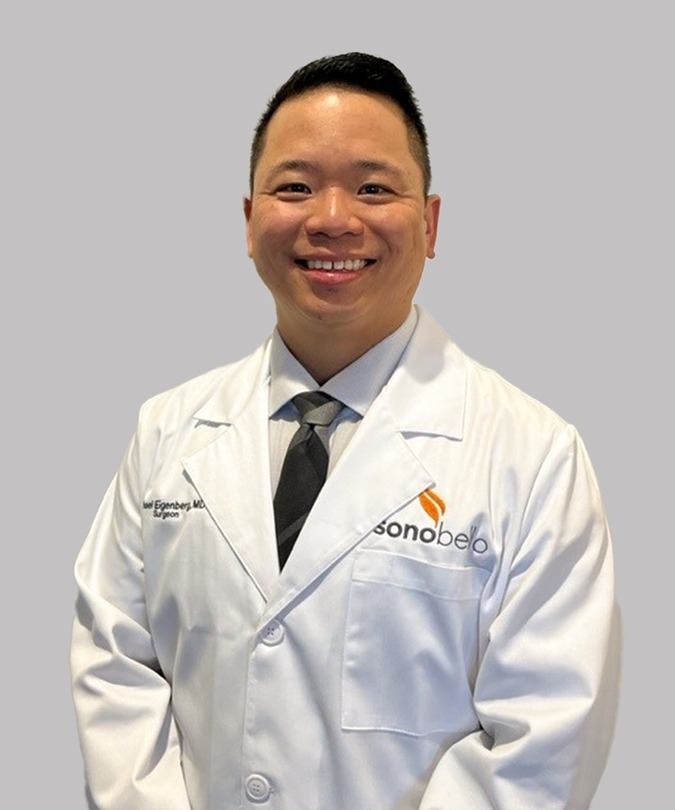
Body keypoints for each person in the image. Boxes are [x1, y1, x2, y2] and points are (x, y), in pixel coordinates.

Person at [70, 52, 620, 810]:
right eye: (294, 187)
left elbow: (544, 737)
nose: (332, 219)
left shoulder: (532, 456)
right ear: (249, 219)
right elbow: (113, 666)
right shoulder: (167, 430)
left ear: (428, 223)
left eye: (372, 187)